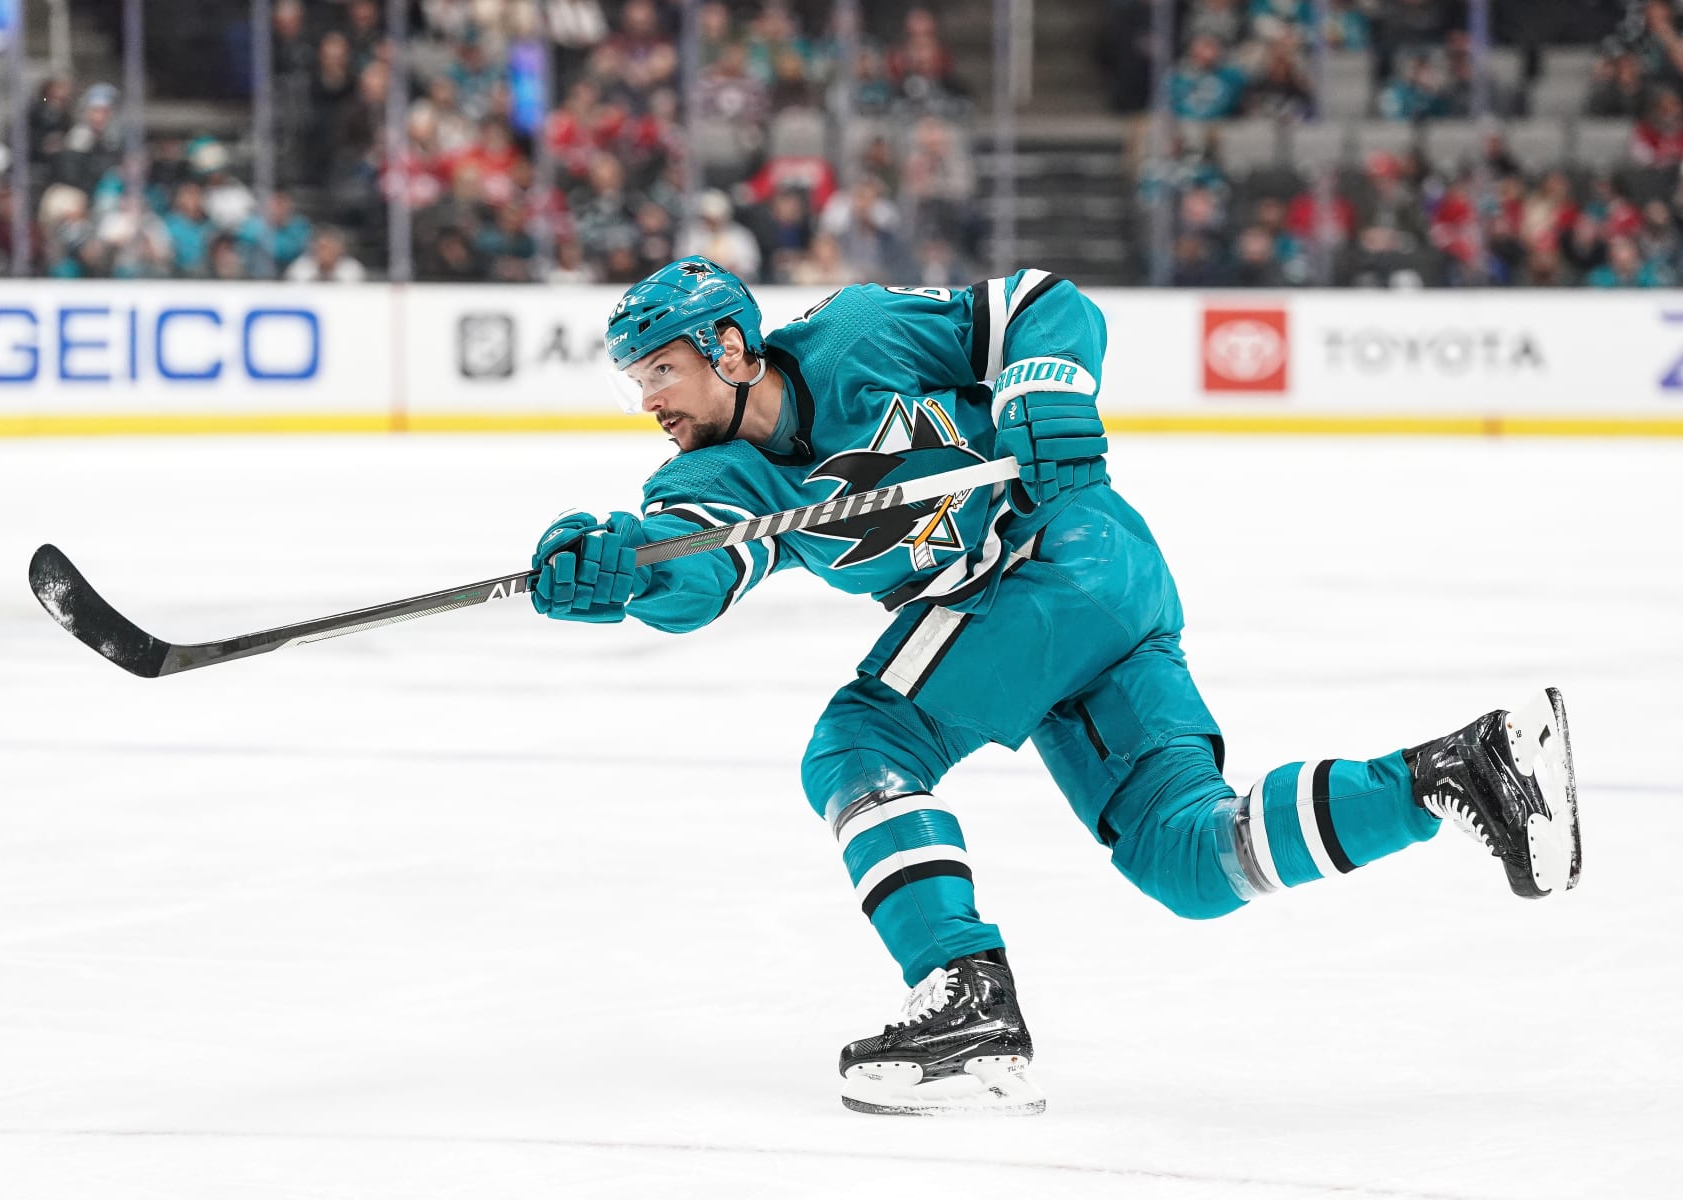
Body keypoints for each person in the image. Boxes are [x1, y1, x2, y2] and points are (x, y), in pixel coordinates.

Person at [527, 257, 1583, 1116]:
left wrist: (1043, 383)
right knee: (1189, 861)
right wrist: (622, 571)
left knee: (861, 746)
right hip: (1084, 600)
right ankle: (1459, 771)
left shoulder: (858, 331)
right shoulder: (711, 478)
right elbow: (698, 562)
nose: (650, 401)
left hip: (1063, 556)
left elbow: (1039, 303)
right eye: (636, 383)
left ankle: (966, 992)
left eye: (661, 370)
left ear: (728, 345)